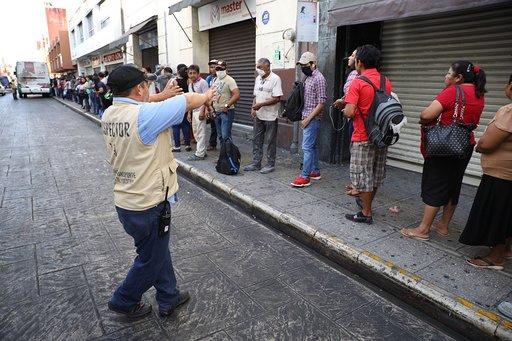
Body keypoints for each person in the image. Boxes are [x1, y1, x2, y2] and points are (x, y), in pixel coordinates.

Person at [102, 64, 214, 319]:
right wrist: (206, 97)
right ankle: (124, 299)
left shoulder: (110, 113)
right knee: (150, 259)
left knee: (157, 250)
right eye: (147, 85)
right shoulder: (146, 116)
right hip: (149, 203)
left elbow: (139, 105)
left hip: (126, 201)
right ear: (140, 87)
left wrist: (161, 97)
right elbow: (187, 99)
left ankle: (168, 296)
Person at [401, 61, 486, 240]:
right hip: (465, 145)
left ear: (458, 77)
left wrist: (423, 120)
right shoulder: (479, 93)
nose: (445, 76)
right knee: (453, 185)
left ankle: (423, 229)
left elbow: (426, 115)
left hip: (445, 146)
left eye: (448, 73)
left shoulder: (453, 91)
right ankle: (443, 226)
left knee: (436, 184)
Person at [459, 74, 511, 270]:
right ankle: (506, 249)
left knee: (498, 213)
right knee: (507, 213)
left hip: (502, 175)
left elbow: (487, 143)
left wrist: (479, 147)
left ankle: (496, 256)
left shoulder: (509, 111)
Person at [342, 45, 392, 224]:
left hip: (363, 136)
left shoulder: (358, 81)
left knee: (364, 176)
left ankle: (366, 212)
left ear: (359, 62)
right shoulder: (385, 81)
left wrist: (345, 107)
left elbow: (349, 112)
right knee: (375, 174)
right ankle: (366, 209)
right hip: (381, 135)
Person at [291, 52, 327, 187]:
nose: (303, 67)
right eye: (301, 65)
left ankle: (304, 176)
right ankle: (315, 171)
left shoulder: (319, 79)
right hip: (306, 115)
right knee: (313, 146)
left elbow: (322, 102)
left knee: (306, 147)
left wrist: (308, 119)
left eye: (305, 65)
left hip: (312, 118)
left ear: (313, 64)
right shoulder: (308, 77)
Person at [244, 58, 283, 174]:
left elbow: (277, 98)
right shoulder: (258, 79)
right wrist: (253, 107)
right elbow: (255, 95)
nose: (258, 69)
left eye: (260, 67)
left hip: (270, 116)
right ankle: (256, 163)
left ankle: (270, 164)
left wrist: (261, 105)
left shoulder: (275, 79)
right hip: (259, 115)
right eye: (257, 67)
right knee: (257, 139)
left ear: (267, 67)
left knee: (270, 140)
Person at [212, 60, 240, 144]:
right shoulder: (215, 80)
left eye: (221, 69)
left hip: (226, 112)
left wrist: (227, 105)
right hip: (217, 112)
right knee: (220, 136)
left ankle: (229, 155)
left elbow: (237, 94)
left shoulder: (230, 80)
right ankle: (223, 155)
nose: (219, 71)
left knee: (225, 135)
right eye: (217, 69)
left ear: (226, 69)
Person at [187, 64, 210, 160]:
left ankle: (199, 154)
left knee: (201, 133)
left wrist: (203, 111)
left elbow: (207, 97)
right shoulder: (190, 84)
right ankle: (202, 151)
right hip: (194, 111)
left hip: (200, 111)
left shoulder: (203, 83)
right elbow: (190, 99)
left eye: (194, 73)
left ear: (198, 73)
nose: (192, 75)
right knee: (196, 132)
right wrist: (189, 113)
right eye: (190, 73)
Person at [171, 64, 192, 152]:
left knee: (176, 126)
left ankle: (177, 146)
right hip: (187, 103)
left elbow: (173, 93)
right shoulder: (189, 80)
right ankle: (187, 145)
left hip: (177, 104)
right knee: (186, 125)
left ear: (178, 72)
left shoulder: (174, 81)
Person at [205, 59, 218, 151]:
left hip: (220, 105)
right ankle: (212, 143)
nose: (212, 69)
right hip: (211, 105)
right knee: (213, 126)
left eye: (214, 67)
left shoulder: (222, 78)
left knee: (220, 128)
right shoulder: (209, 78)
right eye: (211, 67)